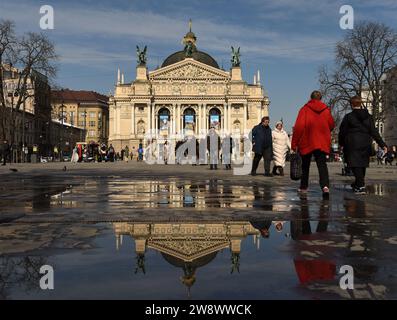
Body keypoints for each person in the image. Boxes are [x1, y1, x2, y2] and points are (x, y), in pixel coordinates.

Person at [338, 95, 387, 194]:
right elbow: (374, 132)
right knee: (362, 164)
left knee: (355, 165)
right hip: (365, 142)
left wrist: (341, 143)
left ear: (352, 105)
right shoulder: (368, 117)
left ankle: (360, 186)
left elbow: (342, 131)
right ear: (361, 104)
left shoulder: (348, 117)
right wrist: (382, 144)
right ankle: (358, 183)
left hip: (352, 143)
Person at [291, 90, 335, 198]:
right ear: (320, 98)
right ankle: (325, 186)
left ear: (311, 98)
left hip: (307, 141)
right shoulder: (326, 110)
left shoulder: (304, 109)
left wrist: (294, 143)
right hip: (321, 141)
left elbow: (299, 127)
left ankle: (304, 187)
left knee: (305, 166)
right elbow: (332, 124)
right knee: (322, 165)